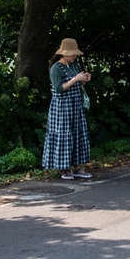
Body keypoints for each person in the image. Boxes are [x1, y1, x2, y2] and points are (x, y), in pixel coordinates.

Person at [41, 38, 93, 180]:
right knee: (64, 135)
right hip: (62, 107)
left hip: (75, 105)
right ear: (64, 54)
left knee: (77, 134)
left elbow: (77, 86)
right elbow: (58, 89)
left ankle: (77, 167)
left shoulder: (74, 66)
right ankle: (65, 169)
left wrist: (83, 80)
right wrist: (75, 79)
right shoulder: (55, 68)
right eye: (73, 54)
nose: (75, 56)